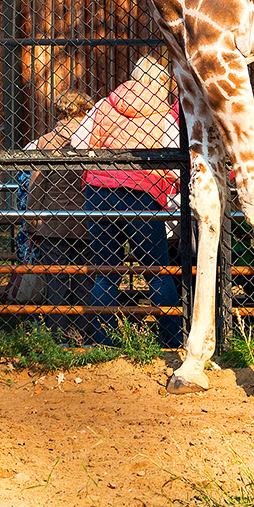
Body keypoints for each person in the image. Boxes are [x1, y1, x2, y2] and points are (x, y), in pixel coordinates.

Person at [81, 55, 184, 348]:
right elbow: (176, 161)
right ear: (161, 82)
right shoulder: (164, 116)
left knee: (106, 272)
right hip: (143, 195)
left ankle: (101, 342)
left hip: (99, 192)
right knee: (156, 272)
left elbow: (78, 143)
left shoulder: (104, 105)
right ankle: (171, 341)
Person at [21, 90, 96, 328]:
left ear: (60, 112)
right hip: (88, 222)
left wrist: (31, 225)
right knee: (86, 278)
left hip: (53, 224)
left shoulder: (46, 142)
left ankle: (58, 334)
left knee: (56, 280)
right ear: (85, 111)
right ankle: (86, 332)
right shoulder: (93, 140)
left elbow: (36, 187)